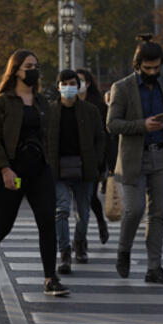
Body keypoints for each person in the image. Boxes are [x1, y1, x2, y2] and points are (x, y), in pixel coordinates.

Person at [0, 49, 69, 296]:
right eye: (28, 66)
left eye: (36, 65)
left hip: (39, 170)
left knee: (47, 222)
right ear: (15, 70)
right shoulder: (3, 101)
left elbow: (48, 136)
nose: (33, 70)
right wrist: (4, 168)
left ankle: (50, 279)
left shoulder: (42, 101)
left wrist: (51, 167)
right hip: (11, 170)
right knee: (4, 225)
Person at [107, 35, 163, 285]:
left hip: (162, 156)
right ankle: (123, 250)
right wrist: (142, 125)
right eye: (147, 68)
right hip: (133, 158)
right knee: (134, 210)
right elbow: (112, 124)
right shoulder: (123, 87)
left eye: (156, 67)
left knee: (158, 214)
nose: (152, 72)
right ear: (137, 64)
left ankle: (154, 268)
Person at [48, 69, 105, 273]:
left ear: (78, 86)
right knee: (61, 210)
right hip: (58, 170)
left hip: (84, 170)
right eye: (65, 83)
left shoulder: (90, 111)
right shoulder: (51, 111)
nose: (69, 87)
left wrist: (97, 162)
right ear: (59, 86)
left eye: (73, 83)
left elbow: (100, 137)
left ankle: (79, 242)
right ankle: (64, 252)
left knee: (83, 213)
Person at [76, 68, 115, 244]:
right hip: (70, 160)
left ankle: (98, 224)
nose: (76, 85)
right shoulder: (66, 104)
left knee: (88, 197)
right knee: (73, 201)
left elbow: (106, 137)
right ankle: (80, 239)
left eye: (80, 81)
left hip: (93, 160)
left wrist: (107, 163)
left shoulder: (98, 106)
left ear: (88, 83)